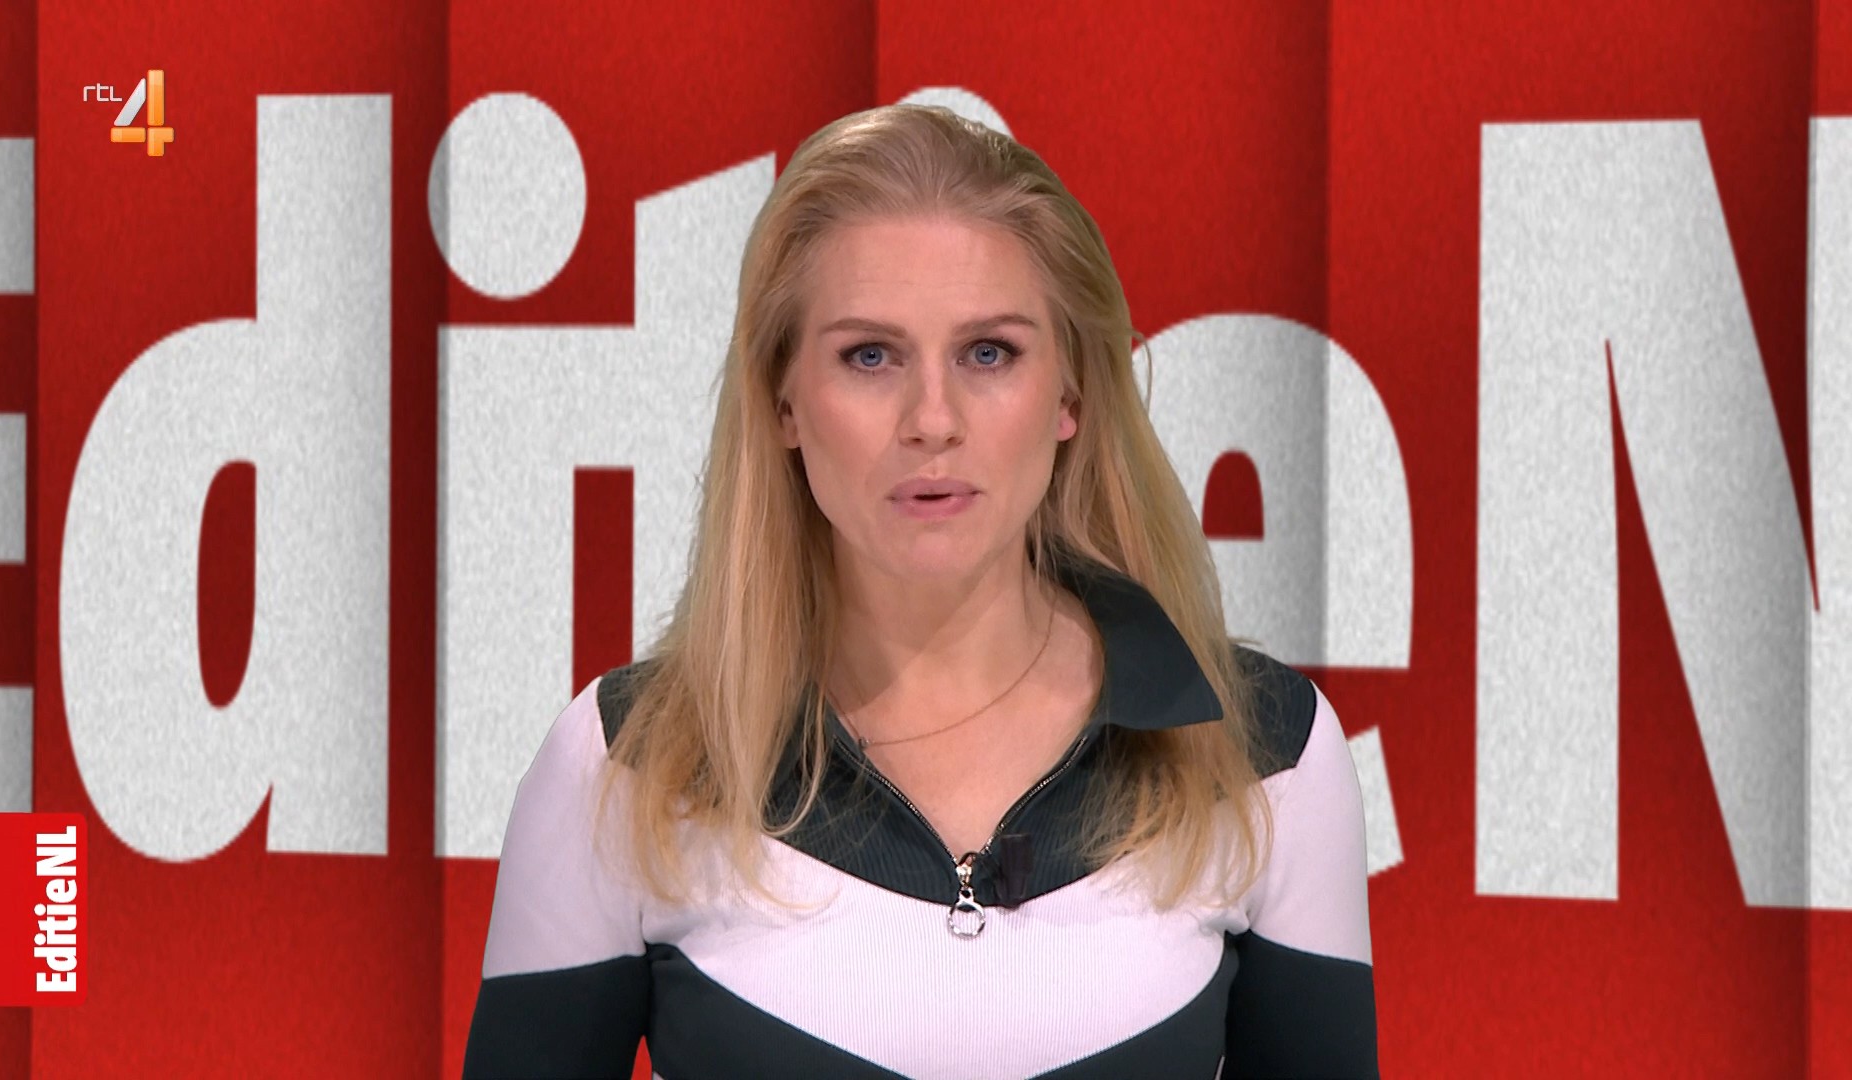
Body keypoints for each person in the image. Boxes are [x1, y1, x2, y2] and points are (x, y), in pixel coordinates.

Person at [462, 102, 1377, 1079]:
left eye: (989, 353)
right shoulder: (624, 767)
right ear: (783, 402)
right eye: (870, 356)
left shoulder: (1266, 755)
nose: (932, 419)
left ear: (1071, 394)